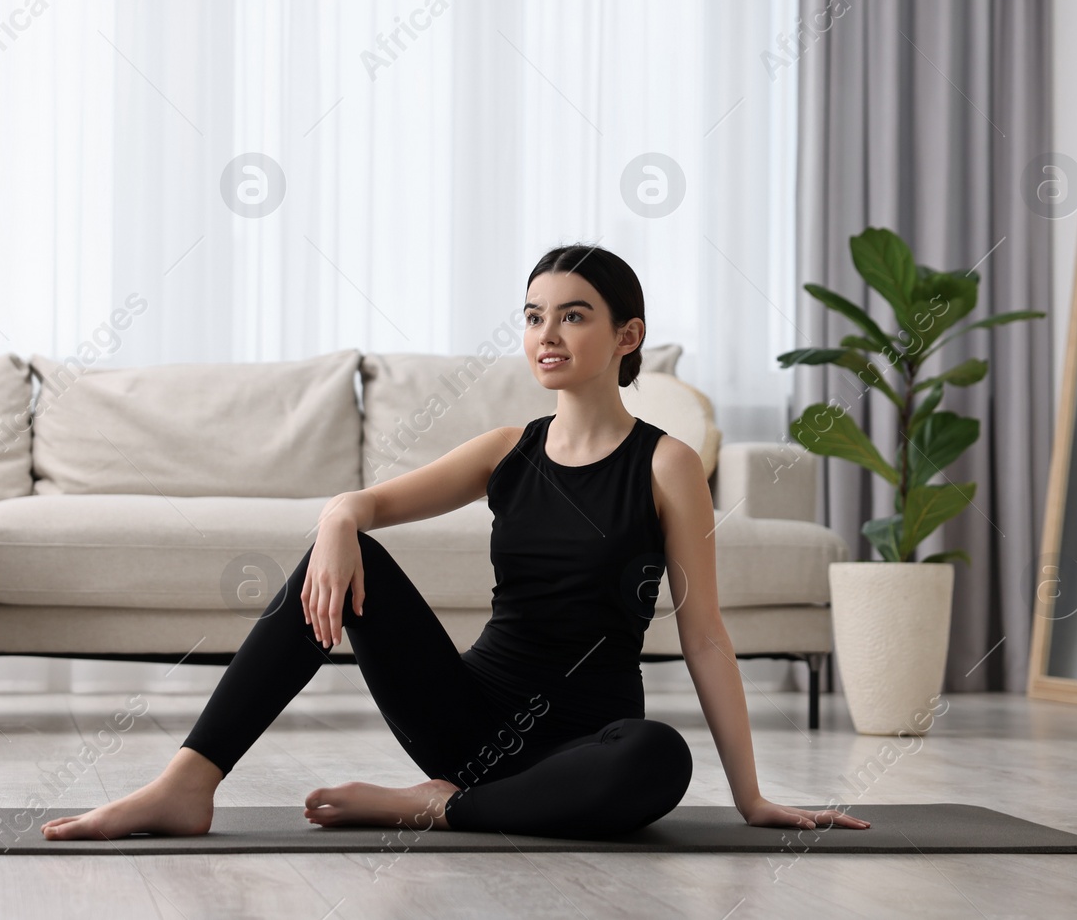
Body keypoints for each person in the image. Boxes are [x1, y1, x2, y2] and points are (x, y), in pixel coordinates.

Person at [42, 244, 872, 840]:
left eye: (574, 315)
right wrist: (338, 518)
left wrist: (753, 796)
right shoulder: (508, 448)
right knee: (345, 549)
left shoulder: (667, 463)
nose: (547, 333)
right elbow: (365, 504)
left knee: (659, 757)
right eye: (534, 315)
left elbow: (706, 635)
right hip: (468, 721)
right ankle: (187, 783)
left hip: (588, 744)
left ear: (626, 336)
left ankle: (432, 806)